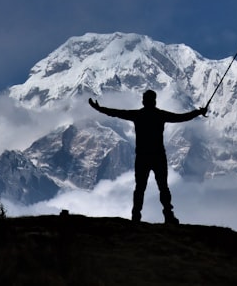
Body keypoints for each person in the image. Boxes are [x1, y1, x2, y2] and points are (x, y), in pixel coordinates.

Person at [88, 90, 207, 224]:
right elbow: (181, 117)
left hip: (142, 157)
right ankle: (168, 215)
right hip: (158, 156)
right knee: (163, 187)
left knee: (140, 188)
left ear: (144, 101)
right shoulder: (160, 115)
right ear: (154, 101)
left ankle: (136, 216)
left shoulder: (138, 115)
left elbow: (116, 113)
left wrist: (99, 108)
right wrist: (198, 112)